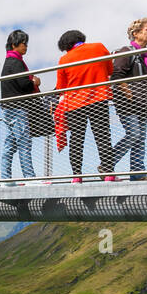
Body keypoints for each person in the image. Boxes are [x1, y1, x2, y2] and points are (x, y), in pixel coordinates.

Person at [107, 18, 147, 181]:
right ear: (136, 33)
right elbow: (116, 75)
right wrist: (128, 93)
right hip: (128, 103)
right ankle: (107, 164)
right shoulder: (126, 52)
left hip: (143, 103)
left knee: (140, 139)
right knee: (134, 135)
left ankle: (138, 173)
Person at [53, 30, 115, 183]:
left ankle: (77, 176)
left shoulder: (64, 59)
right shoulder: (99, 47)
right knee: (102, 136)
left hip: (75, 104)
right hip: (99, 98)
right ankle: (109, 174)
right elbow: (110, 70)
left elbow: (61, 87)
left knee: (76, 139)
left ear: (66, 46)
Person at [0, 30, 41, 179]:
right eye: (24, 43)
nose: (26, 47)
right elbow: (24, 85)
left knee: (10, 145)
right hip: (17, 108)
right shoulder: (16, 62)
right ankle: (30, 178)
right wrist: (35, 82)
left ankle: (5, 178)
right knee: (24, 143)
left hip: (8, 107)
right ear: (14, 44)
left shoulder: (8, 61)